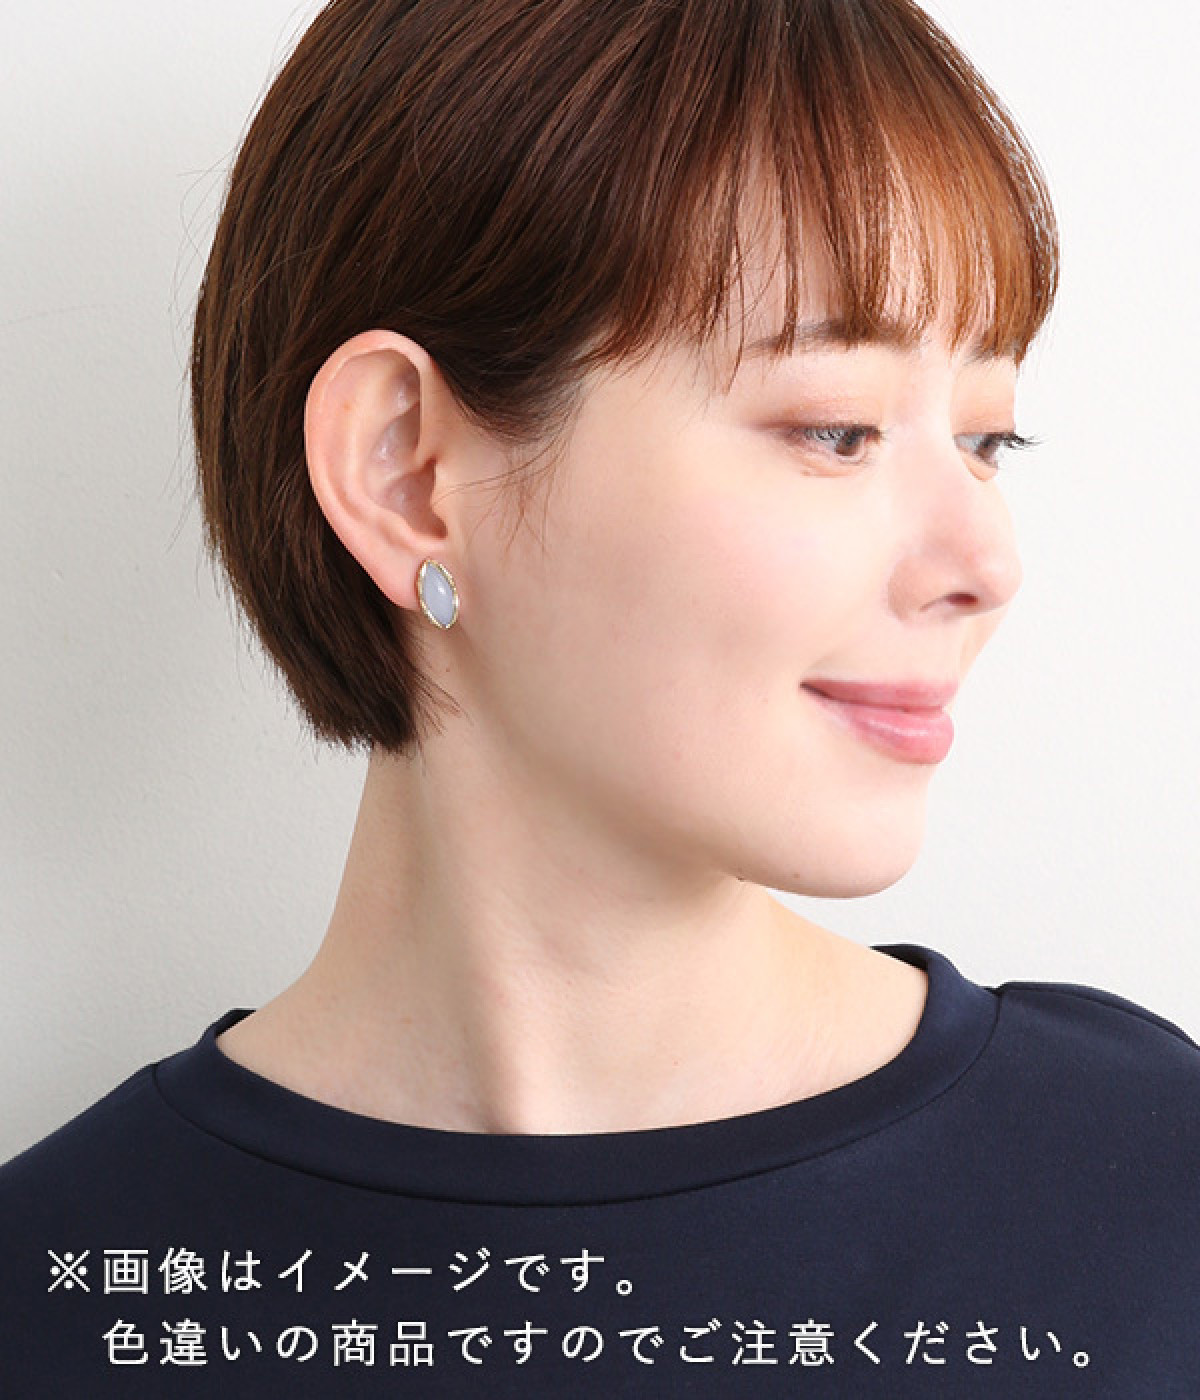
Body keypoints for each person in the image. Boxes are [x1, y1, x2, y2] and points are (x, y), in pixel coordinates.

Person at [2, 0, 1198, 1393]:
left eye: (990, 440)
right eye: (837, 429)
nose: (986, 567)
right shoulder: (56, 1300)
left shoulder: (1147, 1189)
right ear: (408, 471)